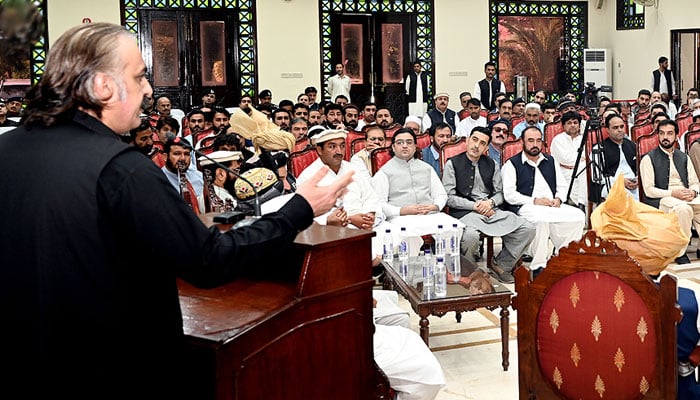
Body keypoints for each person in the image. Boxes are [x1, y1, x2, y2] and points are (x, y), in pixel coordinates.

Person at [0, 23, 354, 399]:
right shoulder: (122, 170)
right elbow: (209, 261)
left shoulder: (7, 153)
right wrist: (300, 208)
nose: (149, 90)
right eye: (138, 77)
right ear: (103, 87)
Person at [442, 126, 535, 284]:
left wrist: (490, 203)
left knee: (527, 228)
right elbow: (449, 197)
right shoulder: (453, 164)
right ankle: (469, 273)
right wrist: (474, 206)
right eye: (475, 140)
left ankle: (501, 265)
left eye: (482, 143)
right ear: (468, 140)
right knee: (470, 237)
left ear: (486, 147)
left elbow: (501, 193)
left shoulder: (492, 164)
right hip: (465, 213)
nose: (476, 145)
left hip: (491, 210)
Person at [502, 126, 586, 271]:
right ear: (522, 142)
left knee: (579, 216)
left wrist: (559, 199)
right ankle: (538, 265)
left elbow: (562, 186)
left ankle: (564, 256)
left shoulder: (550, 160)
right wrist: (534, 201)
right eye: (530, 140)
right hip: (527, 207)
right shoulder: (512, 164)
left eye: (538, 140)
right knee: (541, 221)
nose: (535, 144)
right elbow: (509, 195)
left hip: (551, 206)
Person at [371, 128, 463, 240]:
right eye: (400, 142)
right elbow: (378, 203)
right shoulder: (384, 172)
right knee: (404, 234)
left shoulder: (426, 168)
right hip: (401, 218)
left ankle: (446, 258)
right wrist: (401, 210)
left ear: (415, 147)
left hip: (430, 215)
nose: (405, 146)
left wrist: (435, 206)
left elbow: (441, 195)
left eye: (409, 142)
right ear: (393, 147)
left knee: (454, 227)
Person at [639, 119, 700, 264]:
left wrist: (694, 192)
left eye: (669, 133)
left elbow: (694, 182)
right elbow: (649, 191)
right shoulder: (648, 159)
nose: (665, 137)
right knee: (684, 210)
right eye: (662, 133)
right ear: (657, 135)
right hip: (662, 199)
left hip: (685, 195)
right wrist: (673, 194)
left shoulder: (683, 157)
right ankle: (680, 252)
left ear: (676, 136)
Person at [590, 113, 638, 202]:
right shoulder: (599, 149)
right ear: (607, 130)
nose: (620, 130)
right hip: (612, 185)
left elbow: (640, 168)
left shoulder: (632, 145)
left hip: (634, 185)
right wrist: (620, 181)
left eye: (621, 127)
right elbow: (596, 177)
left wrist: (637, 180)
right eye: (615, 128)